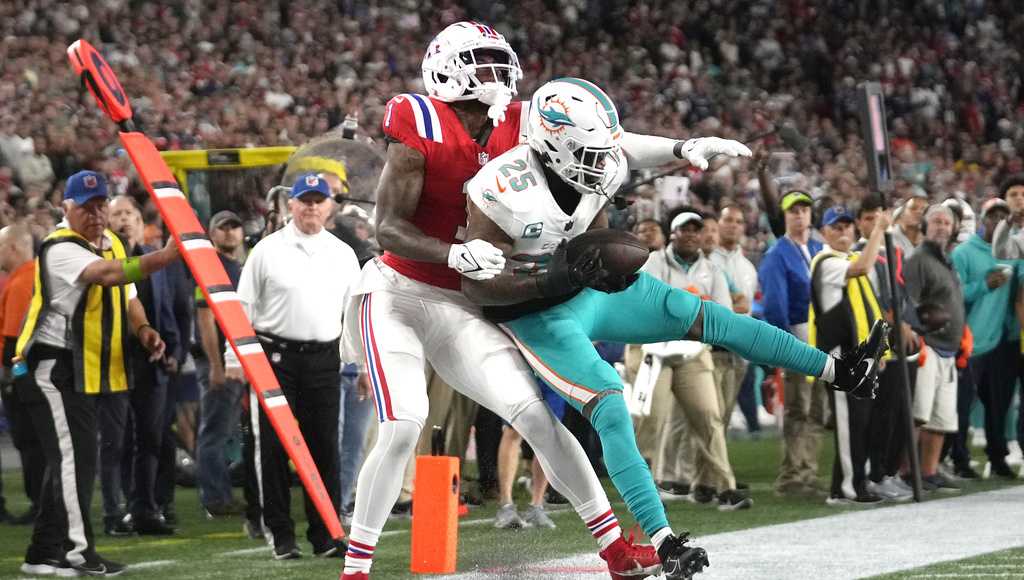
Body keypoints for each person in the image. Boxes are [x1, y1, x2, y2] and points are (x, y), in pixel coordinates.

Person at [339, 22, 744, 580]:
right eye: (479, 62)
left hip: (462, 302)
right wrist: (452, 253)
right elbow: (386, 227)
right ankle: (356, 569)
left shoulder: (519, 119)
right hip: (397, 293)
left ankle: (615, 551)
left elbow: (606, 139)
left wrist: (681, 148)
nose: (494, 72)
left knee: (536, 416)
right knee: (406, 422)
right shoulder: (419, 119)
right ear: (446, 69)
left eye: (496, 59)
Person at [462, 78, 886, 577]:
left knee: (717, 320)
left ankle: (842, 371)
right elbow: (479, 287)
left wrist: (683, 149)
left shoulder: (592, 153)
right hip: (538, 311)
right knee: (611, 406)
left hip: (592, 291)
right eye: (591, 153)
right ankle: (664, 541)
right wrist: (552, 273)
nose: (604, 163)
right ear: (551, 145)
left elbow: (624, 148)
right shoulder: (499, 186)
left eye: (605, 149)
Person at [15, 171, 179, 576]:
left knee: (74, 459)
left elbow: (128, 296)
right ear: (66, 208)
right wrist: (171, 254)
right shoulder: (60, 246)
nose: (96, 213)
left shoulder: (112, 242)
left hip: (83, 366)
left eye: (101, 204)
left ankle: (42, 552)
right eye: (86, 207)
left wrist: (143, 330)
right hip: (50, 364)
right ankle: (76, 552)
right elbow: (110, 275)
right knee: (76, 459)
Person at [225, 173, 360, 560]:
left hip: (324, 357)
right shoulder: (266, 250)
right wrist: (235, 359)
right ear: (291, 205)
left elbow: (352, 314)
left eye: (319, 200)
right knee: (271, 447)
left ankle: (326, 533)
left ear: (330, 206)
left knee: (325, 448)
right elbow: (242, 308)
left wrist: (360, 364)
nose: (312, 207)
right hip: (274, 358)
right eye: (305, 200)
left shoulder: (342, 252)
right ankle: (280, 534)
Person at [637, 209, 750, 510]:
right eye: (683, 229)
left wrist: (685, 307)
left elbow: (723, 315)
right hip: (654, 350)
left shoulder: (712, 270)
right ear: (671, 233)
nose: (690, 234)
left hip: (693, 352)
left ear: (701, 235)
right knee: (649, 418)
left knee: (710, 417)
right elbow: (648, 306)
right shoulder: (654, 262)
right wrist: (695, 305)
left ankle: (725, 486)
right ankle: (638, 486)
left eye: (695, 230)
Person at [97, 196, 180, 536]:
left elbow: (175, 307)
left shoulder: (153, 259)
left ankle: (145, 508)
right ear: (107, 221)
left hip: (151, 359)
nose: (124, 219)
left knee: (150, 437)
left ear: (138, 219)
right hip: (110, 360)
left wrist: (174, 350)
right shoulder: (97, 259)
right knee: (115, 441)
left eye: (129, 213)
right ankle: (114, 512)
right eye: (116, 214)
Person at [807, 206, 890, 505]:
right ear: (823, 233)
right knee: (849, 423)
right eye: (835, 227)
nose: (842, 232)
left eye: (846, 226)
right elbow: (864, 268)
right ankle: (848, 488)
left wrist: (877, 349)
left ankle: (852, 481)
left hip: (859, 355)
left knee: (861, 422)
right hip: (841, 358)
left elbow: (867, 309)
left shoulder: (849, 258)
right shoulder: (826, 261)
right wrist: (879, 229)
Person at [758, 190, 826, 496]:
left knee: (816, 410)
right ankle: (791, 474)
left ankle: (808, 470)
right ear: (784, 217)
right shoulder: (777, 254)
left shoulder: (817, 247)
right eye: (793, 211)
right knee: (799, 409)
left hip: (821, 340)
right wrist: (784, 347)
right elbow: (775, 304)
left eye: (804, 210)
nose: (800, 216)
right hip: (797, 338)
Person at [951, 198, 1019, 479]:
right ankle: (959, 460)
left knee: (998, 406)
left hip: (1000, 341)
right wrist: (984, 285)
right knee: (962, 406)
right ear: (982, 220)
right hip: (968, 341)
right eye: (992, 216)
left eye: (1004, 216)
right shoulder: (964, 253)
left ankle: (997, 458)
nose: (997, 221)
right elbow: (954, 295)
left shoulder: (1012, 251)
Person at [903, 204, 966, 493]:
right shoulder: (919, 259)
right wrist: (918, 332)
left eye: (946, 222)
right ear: (926, 227)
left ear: (953, 228)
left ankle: (928, 472)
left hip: (949, 349)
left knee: (940, 418)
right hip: (929, 345)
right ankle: (904, 471)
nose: (942, 226)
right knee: (918, 414)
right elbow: (909, 301)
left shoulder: (947, 260)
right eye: (936, 221)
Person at [195, 210, 247, 515]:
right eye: (222, 228)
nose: (229, 232)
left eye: (234, 226)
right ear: (212, 234)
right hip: (217, 361)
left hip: (234, 360)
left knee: (224, 430)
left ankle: (220, 495)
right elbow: (205, 318)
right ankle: (215, 499)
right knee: (214, 431)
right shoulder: (211, 267)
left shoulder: (235, 266)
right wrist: (215, 364)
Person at [0, 224, 44, 524]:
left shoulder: (20, 282)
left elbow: (15, 341)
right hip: (40, 375)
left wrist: (13, 377)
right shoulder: (37, 274)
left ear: (13, 247)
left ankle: (40, 504)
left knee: (30, 443)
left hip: (25, 378)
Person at [709, 203, 757, 434]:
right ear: (718, 224)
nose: (733, 226)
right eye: (728, 220)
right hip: (711, 350)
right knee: (708, 416)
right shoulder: (707, 260)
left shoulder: (748, 268)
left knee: (723, 417)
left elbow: (746, 309)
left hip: (738, 352)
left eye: (738, 222)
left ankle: (708, 470)